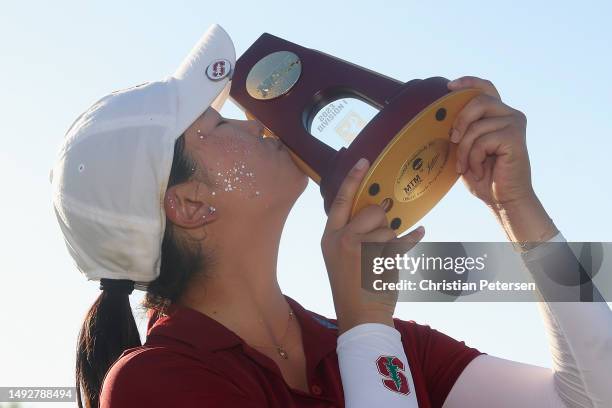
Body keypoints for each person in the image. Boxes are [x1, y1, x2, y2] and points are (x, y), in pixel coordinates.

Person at [50, 24, 612, 408]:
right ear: (190, 205)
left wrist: (514, 205)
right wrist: (367, 327)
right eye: (220, 127)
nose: (260, 123)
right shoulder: (154, 383)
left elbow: (593, 394)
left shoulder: (347, 338)